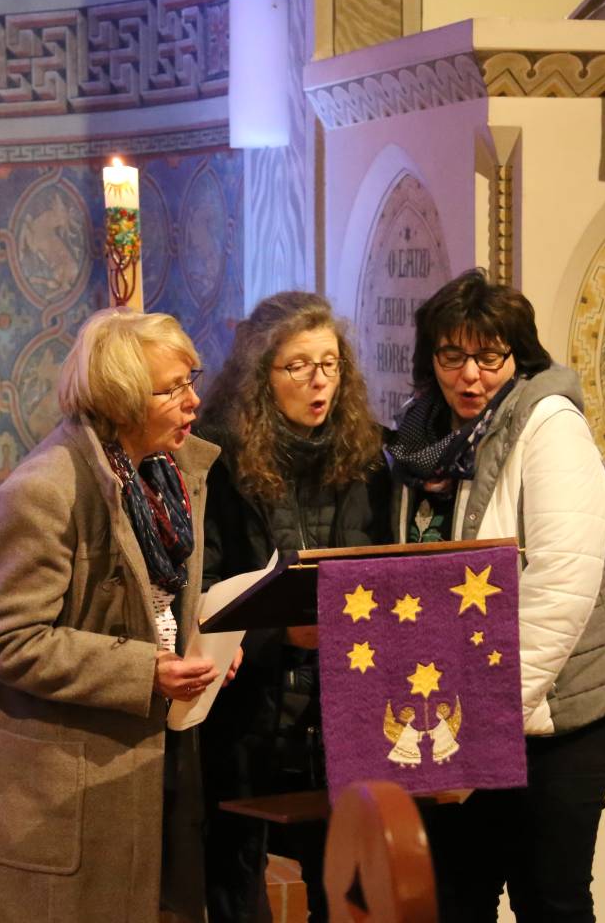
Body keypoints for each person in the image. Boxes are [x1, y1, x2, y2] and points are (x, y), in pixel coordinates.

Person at [0, 308, 236, 923]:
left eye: (191, 380)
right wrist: (146, 671)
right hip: (63, 778)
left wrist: (199, 655)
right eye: (172, 389)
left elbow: (154, 602)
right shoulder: (42, 493)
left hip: (153, 758)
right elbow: (7, 640)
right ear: (121, 401)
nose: (193, 401)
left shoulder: (166, 475)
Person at [387, 270, 605, 923]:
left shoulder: (550, 425)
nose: (470, 375)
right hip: (458, 704)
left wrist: (487, 715)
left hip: (555, 710)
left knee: (549, 899)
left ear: (518, 354)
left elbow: (560, 588)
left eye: (489, 356)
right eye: (453, 355)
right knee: (456, 898)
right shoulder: (421, 435)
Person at [196, 291, 390, 923]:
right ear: (261, 374)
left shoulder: (368, 460)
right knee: (236, 882)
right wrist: (281, 636)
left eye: (330, 364)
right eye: (298, 366)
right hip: (246, 704)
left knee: (344, 885)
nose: (319, 381)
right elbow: (203, 589)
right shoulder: (218, 460)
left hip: (344, 701)